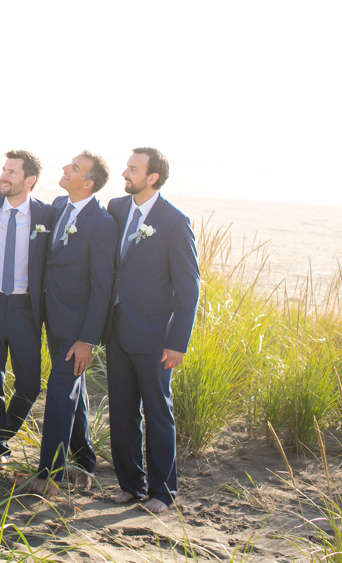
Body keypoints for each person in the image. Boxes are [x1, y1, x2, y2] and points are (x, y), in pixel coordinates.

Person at [105, 147, 200, 513]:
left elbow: (189, 288)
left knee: (158, 413)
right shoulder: (116, 208)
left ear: (153, 178)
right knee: (122, 411)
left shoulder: (174, 221)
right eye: (127, 167)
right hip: (117, 332)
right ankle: (131, 484)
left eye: (133, 169)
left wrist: (178, 342)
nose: (125, 173)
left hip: (156, 338)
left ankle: (162, 492)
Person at [32, 151, 117, 495]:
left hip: (77, 327)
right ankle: (84, 464)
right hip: (51, 318)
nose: (66, 169)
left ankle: (49, 474)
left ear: (89, 182)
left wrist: (87, 339)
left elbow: (102, 287)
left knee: (59, 390)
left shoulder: (102, 224)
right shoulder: (57, 205)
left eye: (75, 168)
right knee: (74, 391)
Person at [0, 151, 54, 464]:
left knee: (30, 384)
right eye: (3, 170)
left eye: (12, 172)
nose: (3, 177)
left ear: (29, 180)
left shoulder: (47, 215)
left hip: (25, 307)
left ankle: (4, 432)